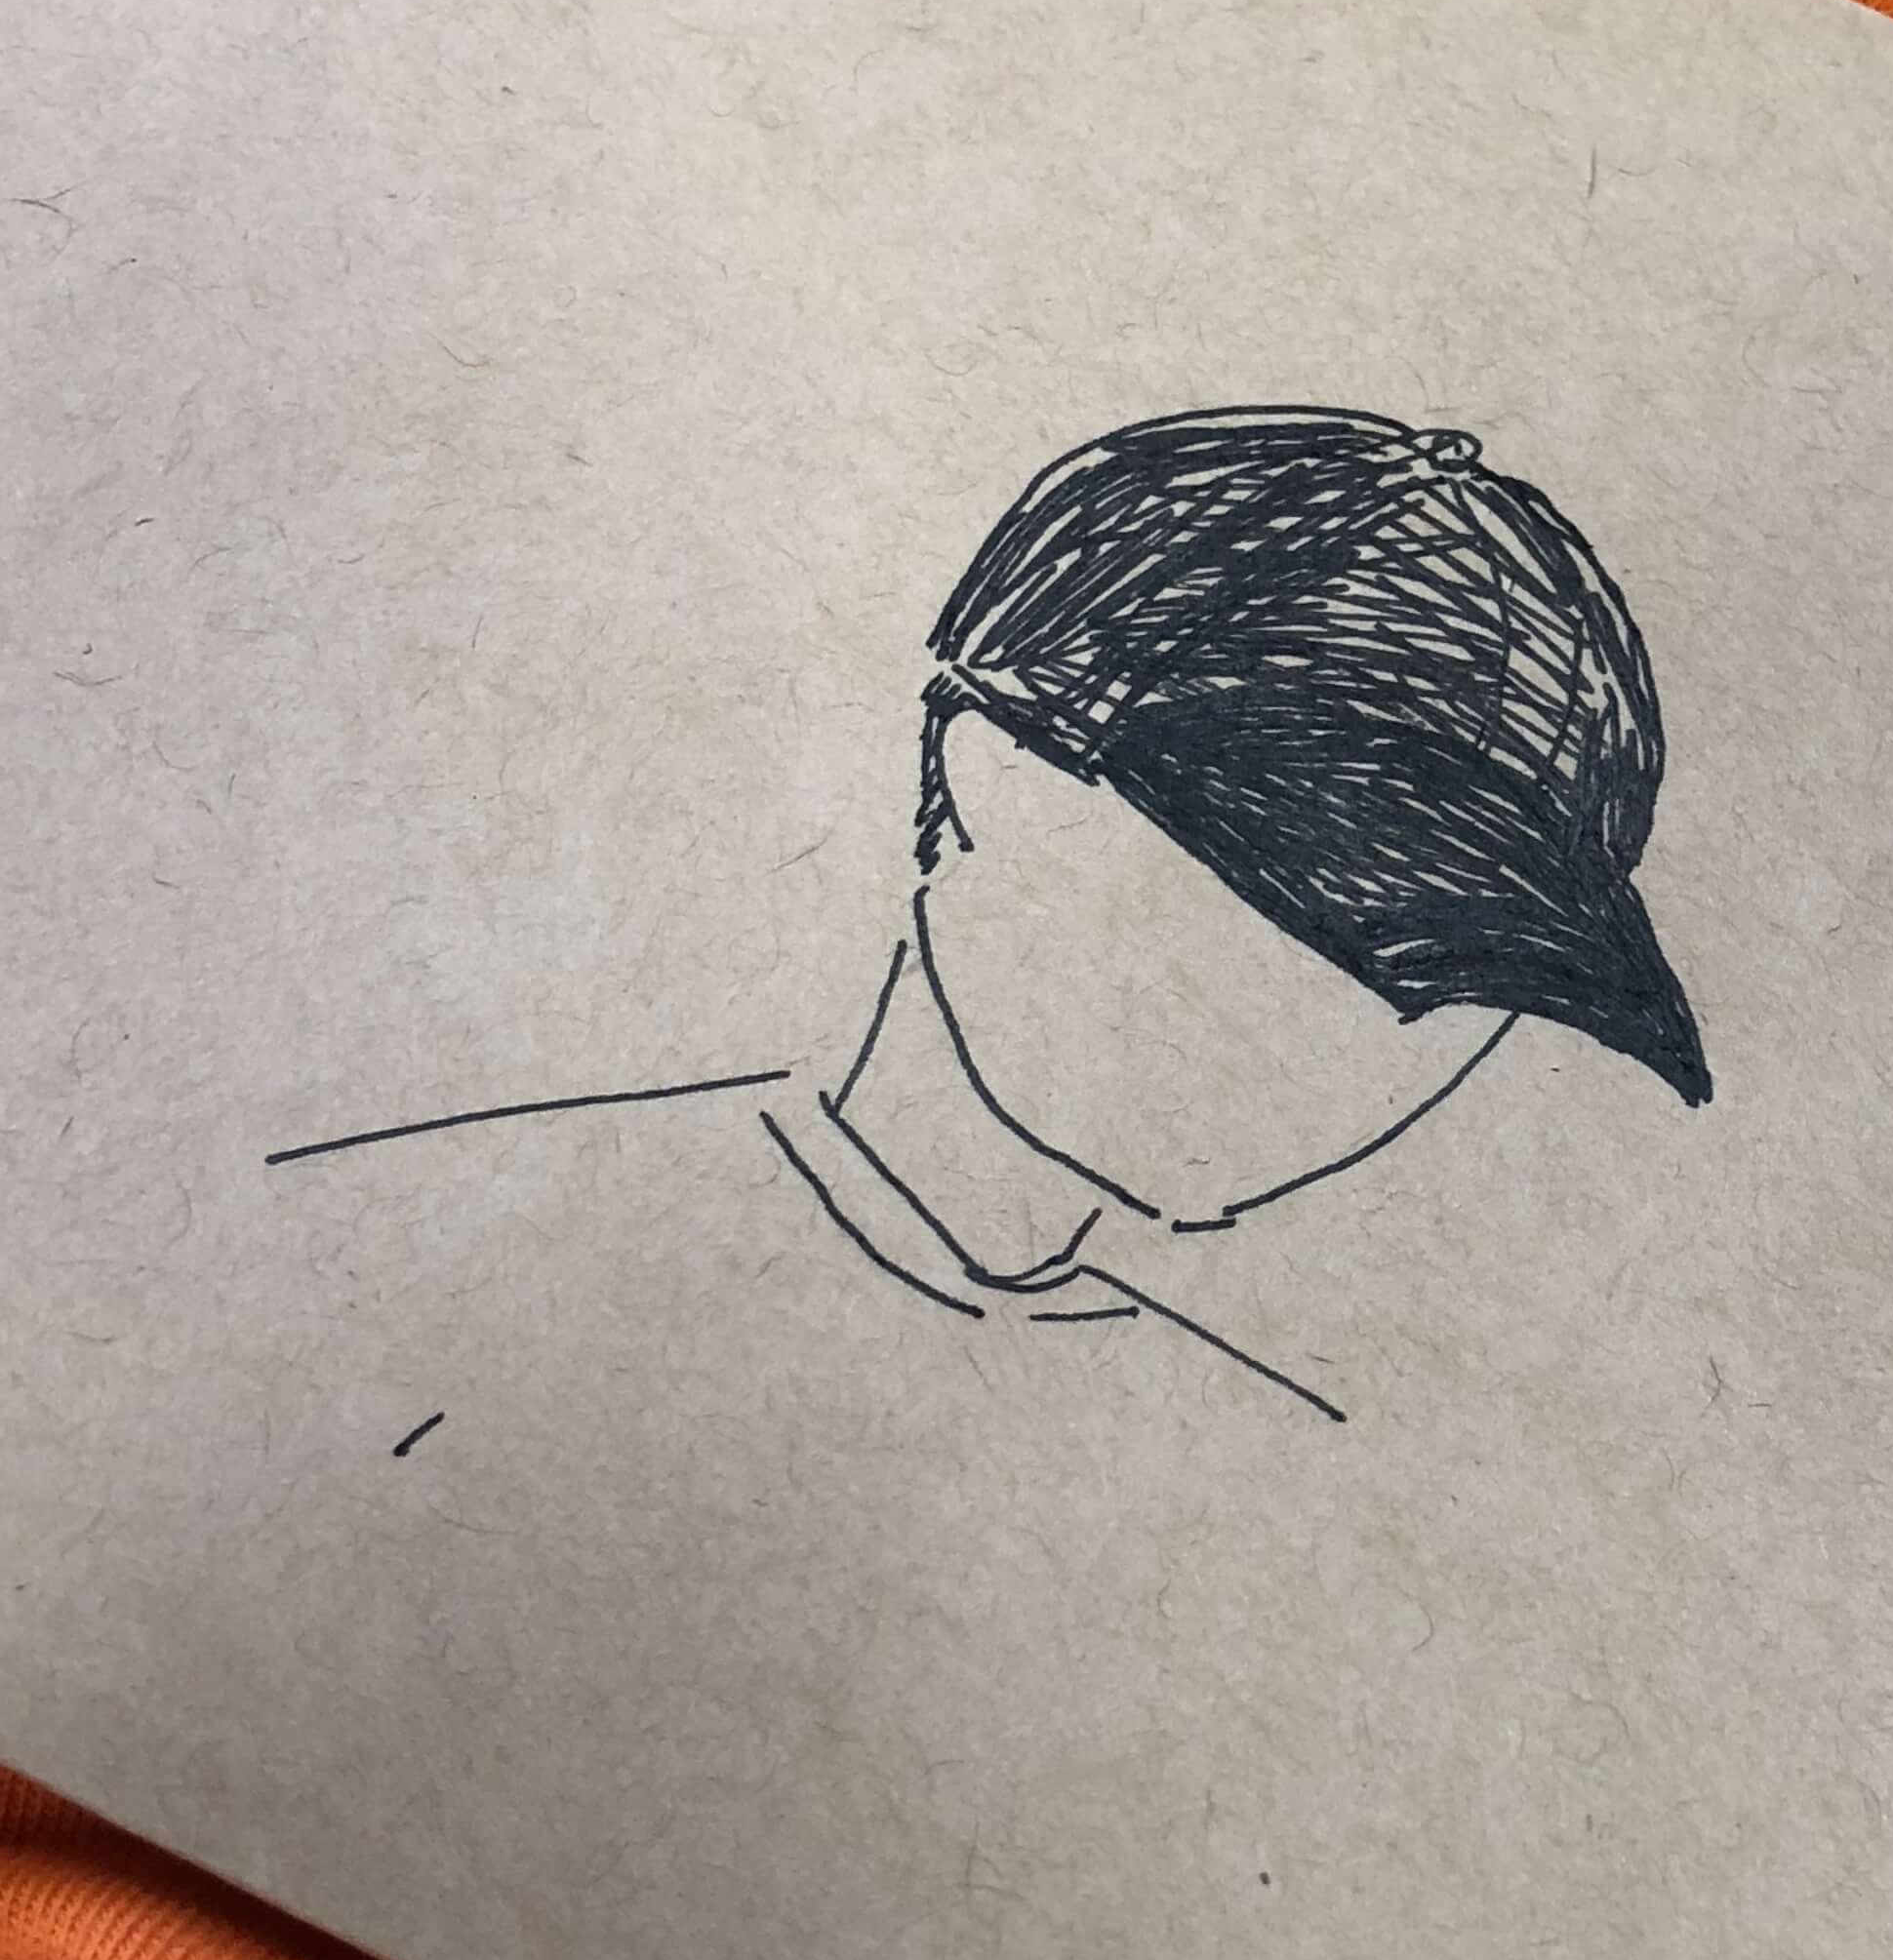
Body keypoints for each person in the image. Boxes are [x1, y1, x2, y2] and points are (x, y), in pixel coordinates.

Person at [268, 405, 1709, 1422]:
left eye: (1479, 972)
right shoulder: (419, 1297)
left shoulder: (1271, 1444)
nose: (1385, 1017)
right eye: (1289, 893)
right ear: (975, 772)